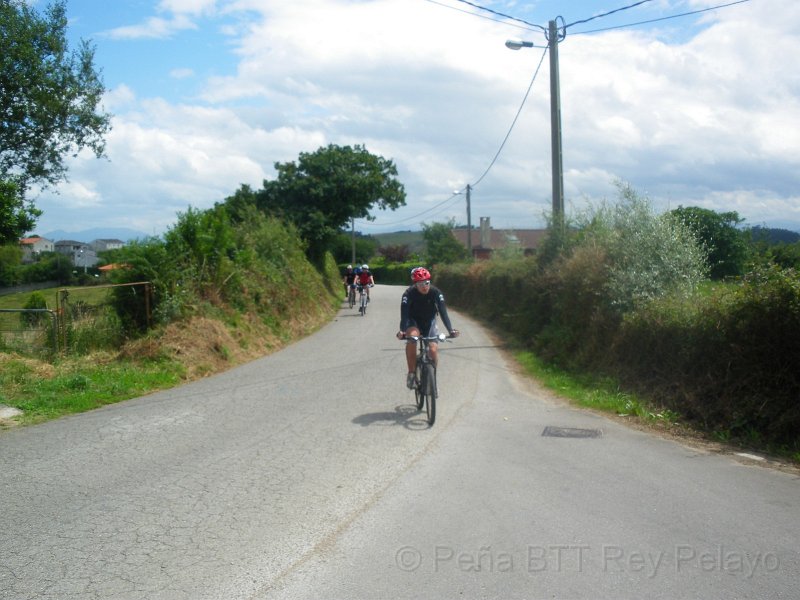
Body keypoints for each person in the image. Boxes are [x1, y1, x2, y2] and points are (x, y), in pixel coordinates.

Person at [396, 267, 459, 389]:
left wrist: (451, 330)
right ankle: (412, 373)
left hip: (429, 321)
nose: (424, 286)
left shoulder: (436, 292)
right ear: (415, 284)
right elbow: (404, 315)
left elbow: (443, 312)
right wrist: (402, 331)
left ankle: (431, 376)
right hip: (413, 321)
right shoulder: (408, 294)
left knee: (433, 350)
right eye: (420, 284)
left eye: (427, 283)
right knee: (413, 338)